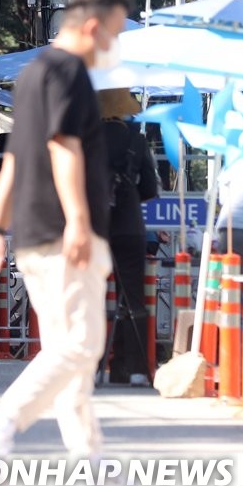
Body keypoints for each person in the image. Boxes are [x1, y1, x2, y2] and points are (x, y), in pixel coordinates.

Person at [0, 0, 129, 463]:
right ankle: (0, 422)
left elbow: (13, 157)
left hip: (34, 233)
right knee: (81, 344)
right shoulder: (69, 71)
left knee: (68, 357)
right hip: (63, 231)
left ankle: (90, 462)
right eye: (114, 35)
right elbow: (63, 144)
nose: (113, 48)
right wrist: (79, 221)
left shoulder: (34, 73)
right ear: (94, 27)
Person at [98, 89, 158, 386]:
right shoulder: (137, 139)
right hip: (129, 225)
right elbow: (150, 188)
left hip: (94, 226)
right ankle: (133, 369)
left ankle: (93, 366)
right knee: (133, 298)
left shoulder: (86, 139)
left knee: (92, 296)